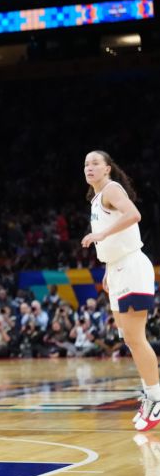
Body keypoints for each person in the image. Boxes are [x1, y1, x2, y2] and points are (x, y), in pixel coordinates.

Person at [81, 150, 159, 431]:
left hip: (132, 266)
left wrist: (101, 235)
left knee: (136, 338)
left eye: (95, 163)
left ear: (108, 169)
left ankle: (156, 398)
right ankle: (150, 395)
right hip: (116, 268)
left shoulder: (112, 189)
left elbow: (134, 214)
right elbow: (114, 239)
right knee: (128, 337)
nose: (89, 167)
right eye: (86, 164)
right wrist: (107, 268)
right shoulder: (96, 199)